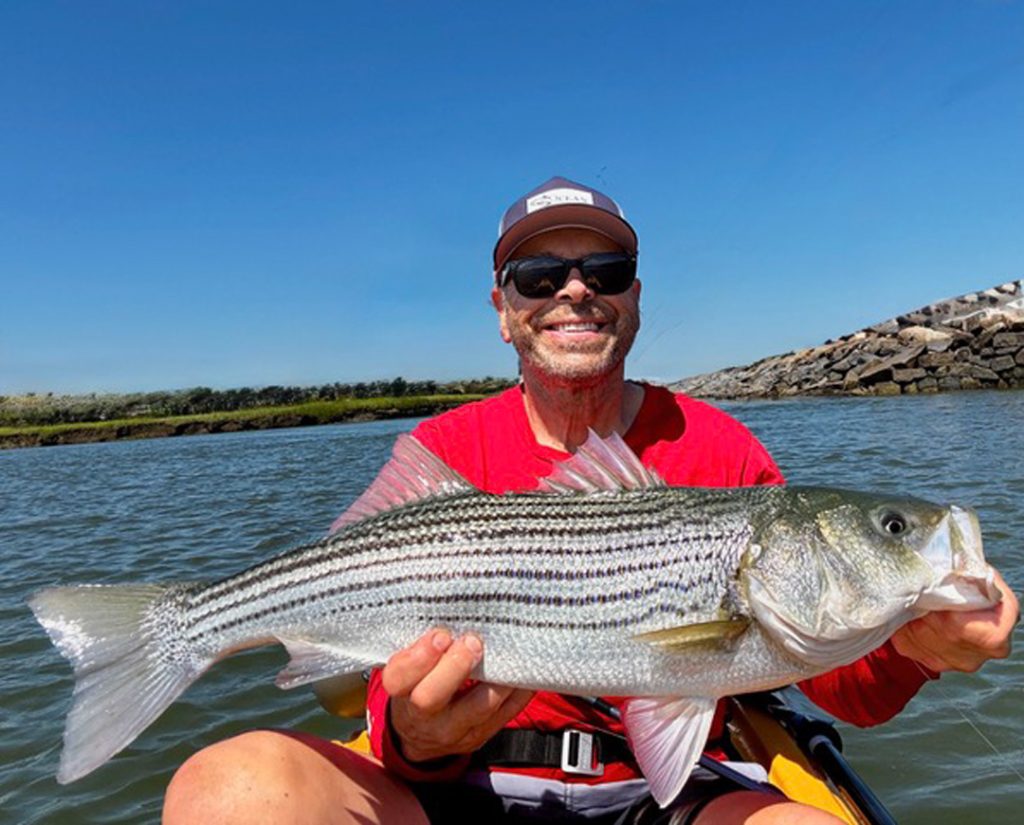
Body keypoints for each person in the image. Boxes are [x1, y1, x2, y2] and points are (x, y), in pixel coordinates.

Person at [164, 177, 1018, 825]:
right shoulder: (444, 449)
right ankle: (176, 630)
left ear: (635, 296)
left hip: (667, 793)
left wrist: (919, 647)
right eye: (539, 275)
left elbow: (843, 683)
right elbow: (385, 688)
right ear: (503, 310)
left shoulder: (721, 448)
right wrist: (418, 736)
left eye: (605, 269)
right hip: (459, 785)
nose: (574, 290)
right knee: (226, 788)